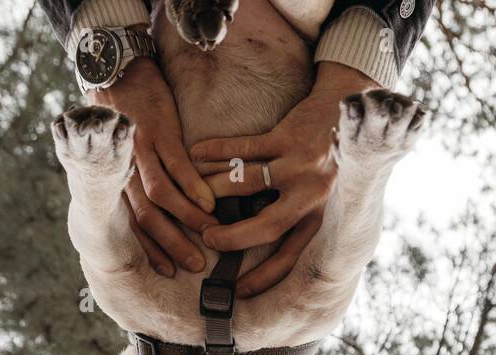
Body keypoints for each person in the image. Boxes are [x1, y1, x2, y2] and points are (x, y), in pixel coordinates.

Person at [38, 0, 433, 295]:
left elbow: (93, 238)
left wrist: (113, 63)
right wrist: (353, 86)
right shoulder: (294, 329)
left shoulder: (129, 306)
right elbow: (342, 260)